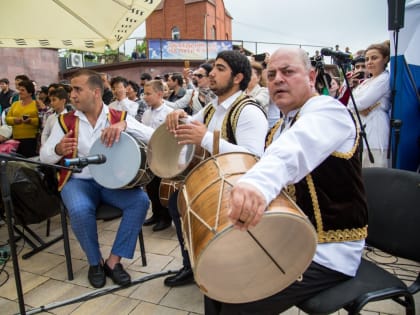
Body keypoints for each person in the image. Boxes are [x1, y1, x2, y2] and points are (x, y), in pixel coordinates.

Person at [204, 47, 368, 314]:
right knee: (215, 272)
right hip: (286, 237)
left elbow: (293, 151)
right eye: (271, 75)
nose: (278, 79)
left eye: (288, 71)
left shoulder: (328, 111)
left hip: (327, 253)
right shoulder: (281, 125)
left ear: (311, 76)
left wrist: (256, 185)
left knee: (239, 299)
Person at [40, 69, 154, 288]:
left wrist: (124, 125)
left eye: (77, 89)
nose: (71, 94)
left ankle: (113, 261)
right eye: (71, 89)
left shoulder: (118, 116)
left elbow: (150, 135)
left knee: (140, 202)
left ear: (95, 92)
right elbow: (45, 156)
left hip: (112, 182)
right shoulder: (64, 121)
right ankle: (95, 262)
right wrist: (57, 148)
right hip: (77, 181)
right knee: (81, 210)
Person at [163, 50, 268, 287]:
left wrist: (206, 139)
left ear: (238, 77)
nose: (212, 74)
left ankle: (230, 271)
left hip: (238, 187)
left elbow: (254, 158)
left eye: (220, 69)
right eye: (213, 69)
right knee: (176, 201)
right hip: (212, 182)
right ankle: (191, 263)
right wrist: (178, 115)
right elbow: (188, 125)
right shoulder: (212, 108)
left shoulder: (249, 111)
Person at [348, 41, 391, 168]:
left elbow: (360, 103)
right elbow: (350, 103)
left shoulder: (384, 79)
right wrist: (357, 107)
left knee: (375, 167)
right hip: (361, 128)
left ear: (385, 59)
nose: (369, 62)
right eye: (367, 59)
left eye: (374, 58)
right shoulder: (366, 82)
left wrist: (358, 107)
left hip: (376, 129)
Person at [141, 80, 174, 231]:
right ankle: (155, 214)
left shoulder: (169, 112)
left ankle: (165, 218)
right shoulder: (146, 113)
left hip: (165, 156)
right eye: (144, 94)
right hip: (150, 155)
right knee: (151, 186)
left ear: (160, 94)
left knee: (162, 187)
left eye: (148, 94)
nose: (145, 97)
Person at [6, 79, 40, 157]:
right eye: (19, 90)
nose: (20, 92)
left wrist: (30, 121)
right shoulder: (15, 104)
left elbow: (41, 121)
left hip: (31, 140)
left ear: (30, 92)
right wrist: (14, 120)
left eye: (23, 90)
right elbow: (7, 119)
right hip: (15, 139)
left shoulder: (36, 104)